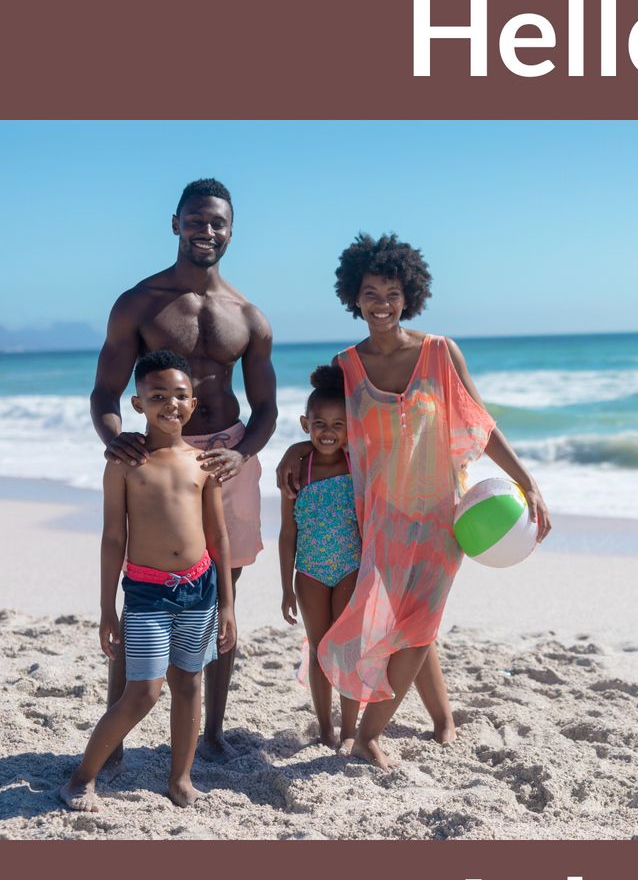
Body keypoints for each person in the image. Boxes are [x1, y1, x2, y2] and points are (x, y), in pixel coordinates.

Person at [277, 233, 551, 769]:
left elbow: (480, 423)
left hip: (443, 518)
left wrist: (528, 481)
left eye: (393, 292)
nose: (382, 303)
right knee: (395, 625)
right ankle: (435, 720)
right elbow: (327, 424)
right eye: (371, 292)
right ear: (353, 297)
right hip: (379, 519)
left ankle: (370, 735)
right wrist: (293, 446)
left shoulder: (439, 353)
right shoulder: (347, 364)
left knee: (420, 624)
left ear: (410, 296)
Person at [90, 178, 277, 763]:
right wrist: (116, 442)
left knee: (222, 591)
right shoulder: (138, 303)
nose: (207, 231)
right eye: (196, 220)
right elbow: (105, 390)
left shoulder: (248, 315)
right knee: (139, 585)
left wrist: (242, 453)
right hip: (156, 459)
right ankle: (116, 738)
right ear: (176, 224)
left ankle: (211, 730)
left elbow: (267, 407)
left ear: (231, 230)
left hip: (224, 459)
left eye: (218, 222)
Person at [60, 351, 236, 812]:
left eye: (180, 395)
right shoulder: (126, 463)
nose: (170, 404)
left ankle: (180, 781)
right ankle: (82, 777)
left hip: (200, 591)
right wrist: (105, 609)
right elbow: (113, 537)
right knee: (143, 691)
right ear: (137, 404)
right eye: (157, 396)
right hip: (146, 595)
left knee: (190, 684)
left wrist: (229, 606)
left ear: (194, 403)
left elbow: (218, 536)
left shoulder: (204, 463)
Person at [279, 365, 362, 752]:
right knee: (318, 648)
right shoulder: (297, 471)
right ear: (304, 423)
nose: (327, 432)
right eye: (319, 424)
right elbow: (287, 532)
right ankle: (325, 727)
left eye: (337, 425)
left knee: (346, 648)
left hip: (350, 566)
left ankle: (350, 730)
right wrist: (285, 588)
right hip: (309, 571)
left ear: (350, 428)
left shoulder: (355, 465)